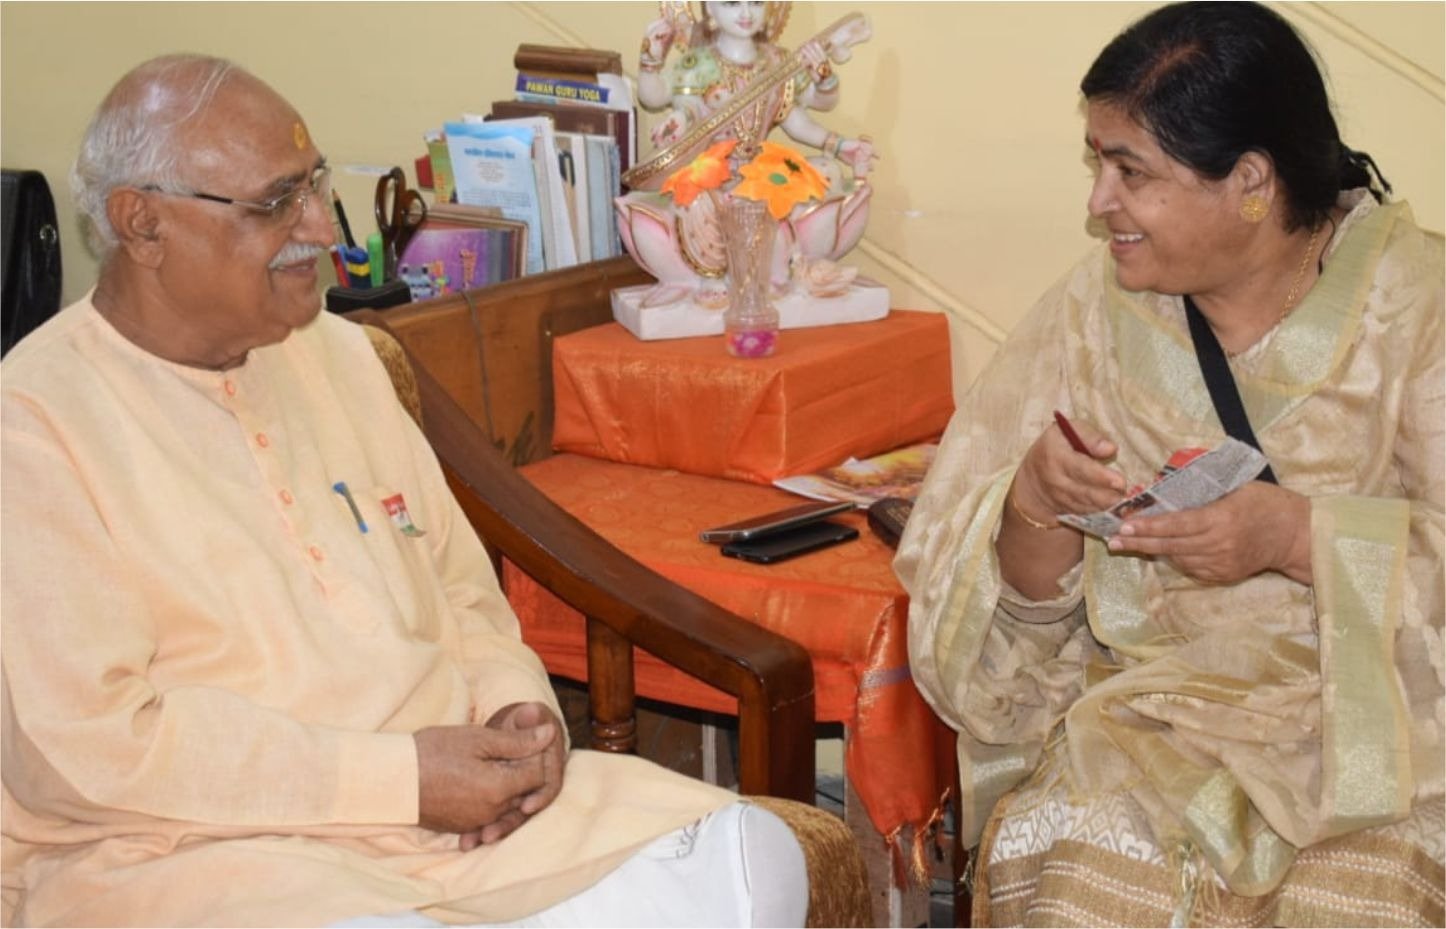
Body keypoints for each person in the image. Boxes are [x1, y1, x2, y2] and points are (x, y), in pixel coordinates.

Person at [0, 54, 808, 928]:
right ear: (143, 224)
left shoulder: (340, 355)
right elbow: (86, 751)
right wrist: (402, 780)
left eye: (314, 185)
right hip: (205, 850)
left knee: (753, 858)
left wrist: (516, 711)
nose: (321, 227)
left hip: (456, 813)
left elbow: (462, 591)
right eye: (276, 202)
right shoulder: (34, 426)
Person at [897, 3, 1444, 926]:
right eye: (1097, 164)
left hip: (1383, 733)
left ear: (1252, 182)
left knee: (1368, 894)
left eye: (1132, 172)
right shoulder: (1091, 316)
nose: (1097, 203)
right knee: (1082, 868)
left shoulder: (1417, 307)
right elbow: (1006, 649)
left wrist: (1297, 536)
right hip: (1149, 720)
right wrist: (1035, 501)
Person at [616, 0, 876, 307]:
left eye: (756, 2)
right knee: (692, 200)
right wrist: (651, 63)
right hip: (711, 169)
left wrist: (838, 138)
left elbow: (802, 118)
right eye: (731, 3)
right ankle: (713, 276)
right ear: (709, 9)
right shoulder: (697, 63)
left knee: (825, 173)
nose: (745, 13)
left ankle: (783, 269)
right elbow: (661, 100)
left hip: (759, 166)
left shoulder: (778, 61)